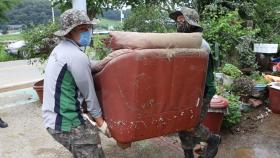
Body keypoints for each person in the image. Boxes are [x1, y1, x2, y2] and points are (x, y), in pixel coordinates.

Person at [42, 9, 110, 158]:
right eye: (81, 29)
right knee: (92, 148)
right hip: (66, 121)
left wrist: (102, 63)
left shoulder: (61, 49)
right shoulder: (76, 56)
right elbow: (89, 94)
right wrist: (101, 123)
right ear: (69, 32)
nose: (87, 32)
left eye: (88, 28)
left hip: (52, 118)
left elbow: (79, 66)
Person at [169, 7, 221, 158]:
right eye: (177, 21)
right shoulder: (182, 42)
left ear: (191, 23)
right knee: (181, 124)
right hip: (186, 91)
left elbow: (199, 75)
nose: (179, 24)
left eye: (182, 20)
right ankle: (188, 155)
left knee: (190, 124)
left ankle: (213, 140)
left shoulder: (200, 44)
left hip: (202, 91)